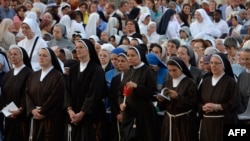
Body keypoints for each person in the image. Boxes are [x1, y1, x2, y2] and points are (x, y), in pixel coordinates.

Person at [64, 39, 107, 141]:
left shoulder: (96, 69)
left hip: (91, 116)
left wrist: (82, 113)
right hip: (73, 116)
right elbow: (67, 91)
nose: (78, 50)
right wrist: (70, 110)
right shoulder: (73, 69)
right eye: (76, 47)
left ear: (88, 50)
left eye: (81, 47)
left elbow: (94, 93)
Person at [119, 46, 160, 141]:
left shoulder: (148, 71)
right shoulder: (128, 71)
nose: (129, 58)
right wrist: (121, 103)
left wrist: (137, 87)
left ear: (140, 56)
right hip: (128, 114)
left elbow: (152, 93)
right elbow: (120, 92)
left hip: (144, 115)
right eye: (128, 55)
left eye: (132, 55)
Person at [198, 53, 240, 141]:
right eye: (211, 63)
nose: (213, 65)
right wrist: (203, 107)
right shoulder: (205, 81)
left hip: (223, 123)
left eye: (216, 63)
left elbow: (235, 103)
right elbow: (198, 100)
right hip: (207, 124)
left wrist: (217, 107)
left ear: (224, 65)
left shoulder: (230, 82)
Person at [26, 47, 65, 141]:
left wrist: (42, 111)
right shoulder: (34, 75)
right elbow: (27, 93)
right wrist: (32, 109)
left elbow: (56, 96)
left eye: (44, 55)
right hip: (35, 116)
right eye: (39, 55)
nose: (41, 58)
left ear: (51, 58)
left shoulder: (58, 76)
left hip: (51, 117)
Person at [157, 56, 199, 141]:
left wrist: (178, 97)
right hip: (168, 120)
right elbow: (163, 107)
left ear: (181, 68)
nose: (172, 73)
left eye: (174, 70)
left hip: (184, 122)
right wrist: (161, 100)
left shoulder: (190, 83)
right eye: (170, 70)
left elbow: (194, 103)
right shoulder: (167, 83)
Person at [1, 45, 33, 141]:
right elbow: (3, 93)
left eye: (15, 54)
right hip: (8, 114)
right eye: (10, 54)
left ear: (22, 56)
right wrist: (4, 108)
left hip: (22, 116)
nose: (12, 56)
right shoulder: (8, 75)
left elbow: (28, 93)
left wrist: (21, 109)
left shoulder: (29, 73)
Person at [109, 52, 130, 141]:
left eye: (123, 61)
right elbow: (112, 99)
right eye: (118, 61)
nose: (120, 63)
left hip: (130, 115)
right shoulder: (115, 79)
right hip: (118, 115)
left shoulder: (133, 77)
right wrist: (117, 114)